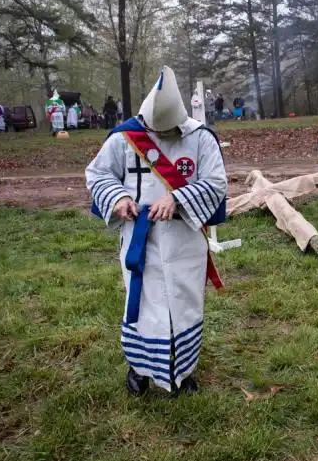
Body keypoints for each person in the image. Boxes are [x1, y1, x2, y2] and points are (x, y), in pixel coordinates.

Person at [85, 65, 228, 397]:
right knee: (144, 305)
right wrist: (118, 197)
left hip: (184, 240)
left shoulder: (200, 138)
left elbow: (216, 182)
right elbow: (98, 174)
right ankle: (140, 368)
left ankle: (183, 372)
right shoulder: (124, 137)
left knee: (184, 302)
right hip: (140, 238)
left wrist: (178, 198)